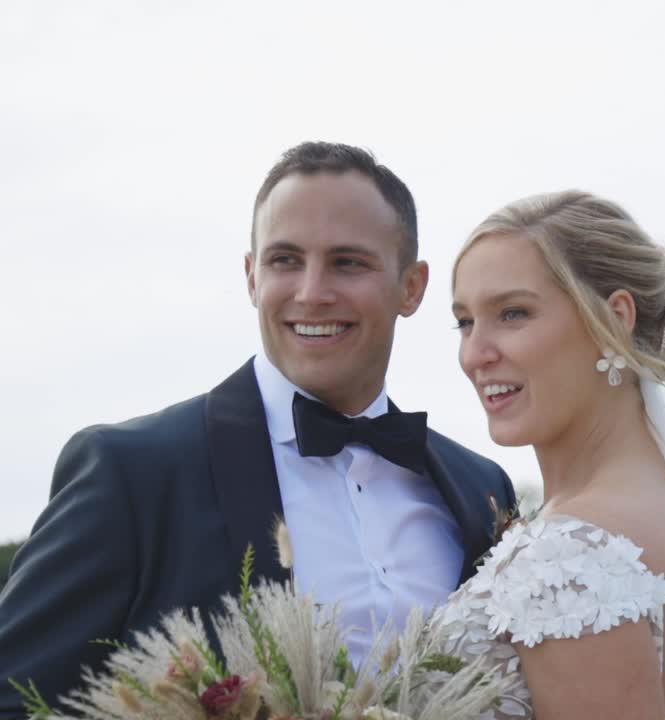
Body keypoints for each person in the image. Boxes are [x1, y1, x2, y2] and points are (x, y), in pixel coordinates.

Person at [0, 142, 517, 717]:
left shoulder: (481, 488)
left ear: (411, 287)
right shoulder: (130, 471)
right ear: (251, 276)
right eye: (285, 260)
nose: (312, 291)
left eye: (348, 262)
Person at [442, 190, 665, 719]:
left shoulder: (571, 555)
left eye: (513, 313)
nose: (475, 353)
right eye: (464, 322)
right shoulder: (639, 516)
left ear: (614, 319)